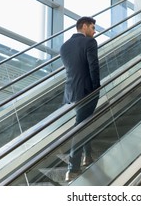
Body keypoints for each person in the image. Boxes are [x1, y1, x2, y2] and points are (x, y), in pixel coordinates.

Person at [59, 16, 101, 182]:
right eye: (92, 27)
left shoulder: (64, 47)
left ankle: (87, 156)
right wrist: (97, 87)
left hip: (72, 92)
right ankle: (72, 168)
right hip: (87, 91)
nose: (94, 31)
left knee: (85, 122)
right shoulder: (90, 43)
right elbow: (93, 66)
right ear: (84, 26)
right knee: (80, 125)